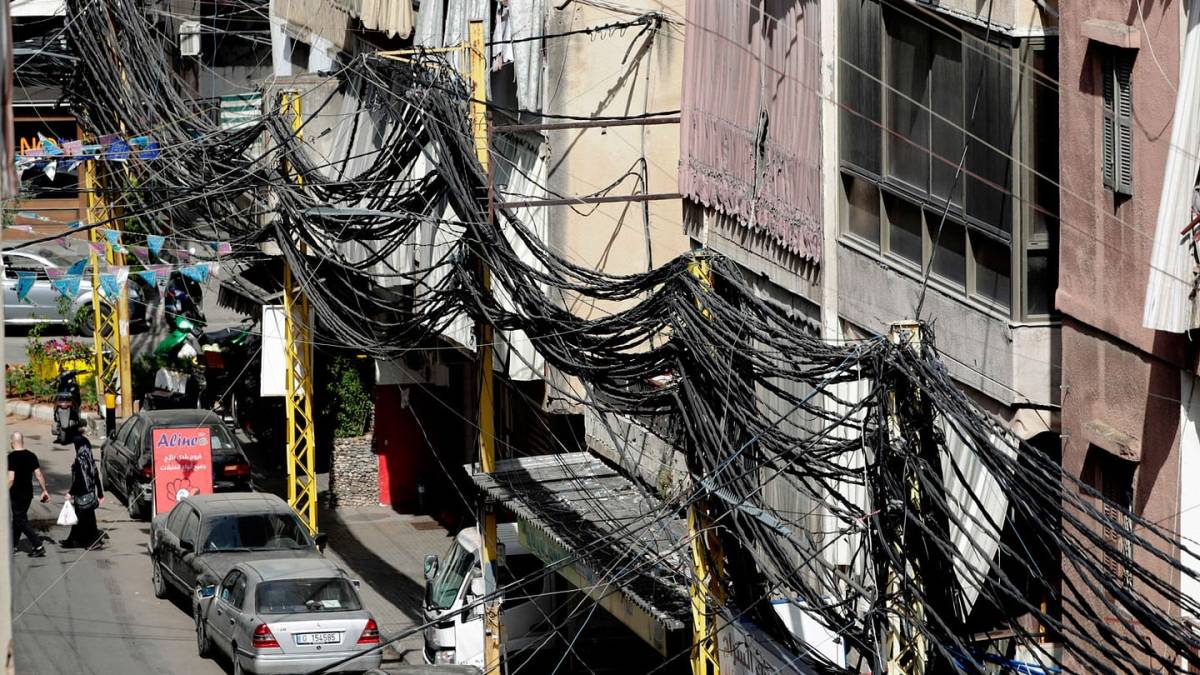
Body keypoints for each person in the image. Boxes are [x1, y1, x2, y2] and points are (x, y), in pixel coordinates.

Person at [8, 431, 49, 557]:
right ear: (22, 441)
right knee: (17, 519)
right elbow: (39, 475)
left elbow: (11, 478)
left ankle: (38, 545)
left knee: (20, 520)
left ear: (12, 443)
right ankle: (13, 545)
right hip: (28, 494)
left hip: (16, 495)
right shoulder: (31, 455)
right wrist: (44, 490)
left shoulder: (11, 457)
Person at [62, 433, 104, 549]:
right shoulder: (90, 459)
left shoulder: (79, 460)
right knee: (83, 519)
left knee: (87, 520)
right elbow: (96, 476)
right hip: (90, 494)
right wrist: (100, 494)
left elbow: (78, 480)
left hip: (82, 494)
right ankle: (72, 540)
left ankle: (94, 542)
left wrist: (70, 493)